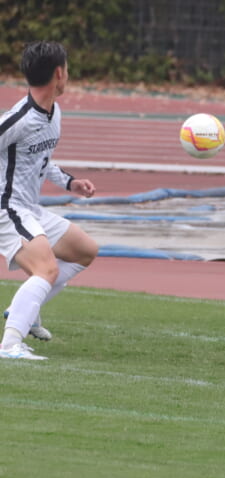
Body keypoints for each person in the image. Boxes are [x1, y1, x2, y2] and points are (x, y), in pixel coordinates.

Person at [0, 41, 98, 360]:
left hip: (29, 208)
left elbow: (40, 160)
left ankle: (23, 311)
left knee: (84, 251)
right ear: (58, 73)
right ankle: (10, 345)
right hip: (7, 208)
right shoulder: (18, 119)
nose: (68, 74)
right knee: (46, 269)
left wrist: (70, 182)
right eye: (67, 69)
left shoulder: (54, 113)